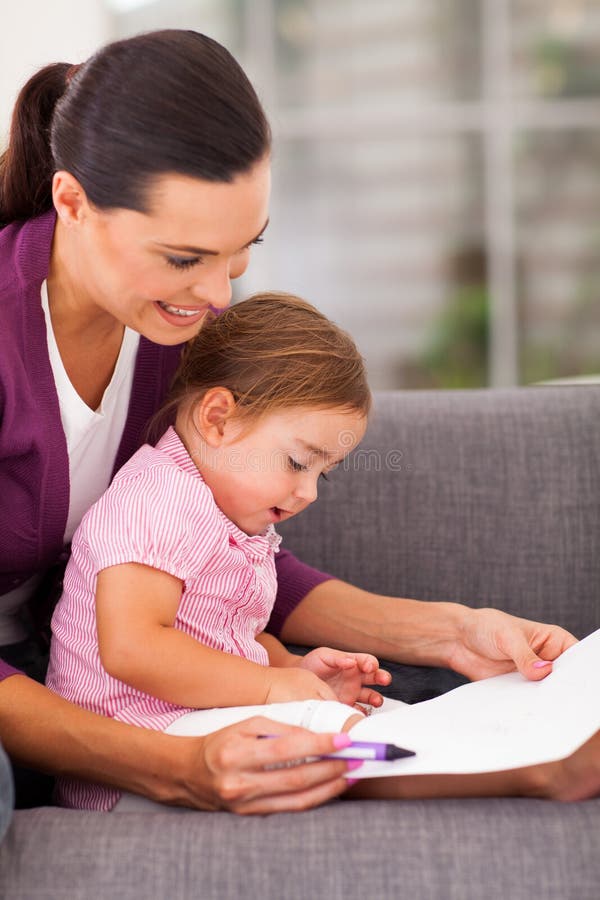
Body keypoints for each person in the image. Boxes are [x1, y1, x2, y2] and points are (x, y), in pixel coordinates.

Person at [0, 29, 598, 814]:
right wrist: (173, 766)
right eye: (185, 258)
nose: (217, 296)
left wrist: (451, 633)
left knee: (408, 697)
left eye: (242, 251)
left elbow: (221, 556)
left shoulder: (172, 335)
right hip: (57, 693)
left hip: (109, 669)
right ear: (72, 202)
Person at [46, 292, 386, 810]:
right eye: (298, 463)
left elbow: (225, 640)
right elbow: (133, 649)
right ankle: (517, 775)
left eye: (324, 473)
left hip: (187, 718)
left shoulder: (225, 513)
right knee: (336, 735)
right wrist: (272, 689)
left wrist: (290, 669)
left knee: (373, 717)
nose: (309, 492)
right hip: (135, 753)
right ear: (218, 419)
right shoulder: (156, 501)